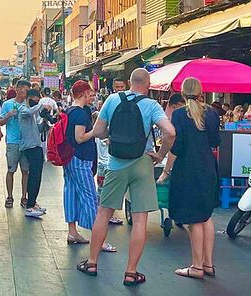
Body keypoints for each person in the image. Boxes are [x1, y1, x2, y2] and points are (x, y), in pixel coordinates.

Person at [76, 68, 175, 287]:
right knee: (140, 219)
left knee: (103, 213)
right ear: (148, 85)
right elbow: (170, 132)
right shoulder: (151, 105)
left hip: (116, 163)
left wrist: (112, 133)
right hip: (142, 162)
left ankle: (92, 262)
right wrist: (159, 155)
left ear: (130, 82)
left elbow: (100, 131)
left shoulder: (112, 100)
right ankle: (131, 272)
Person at [167, 77, 221, 280]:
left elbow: (177, 146)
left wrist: (165, 169)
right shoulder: (212, 113)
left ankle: (197, 266)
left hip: (187, 169)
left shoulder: (179, 115)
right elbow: (216, 141)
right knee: (206, 216)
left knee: (194, 220)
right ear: (201, 92)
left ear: (182, 93)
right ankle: (208, 264)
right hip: (208, 168)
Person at [64, 80, 117, 251]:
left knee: (71, 193)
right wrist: (95, 131)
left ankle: (72, 232)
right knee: (90, 197)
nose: (93, 96)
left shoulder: (70, 110)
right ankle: (99, 239)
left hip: (70, 158)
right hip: (80, 159)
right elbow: (80, 137)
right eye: (91, 93)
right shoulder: (79, 113)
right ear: (83, 94)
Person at [0, 80, 30, 208]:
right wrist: (9, 115)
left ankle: (24, 197)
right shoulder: (7, 104)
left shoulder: (29, 104)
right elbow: (0, 122)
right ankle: (10, 196)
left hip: (26, 141)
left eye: (27, 90)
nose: (25, 92)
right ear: (17, 89)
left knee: (25, 171)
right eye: (23, 89)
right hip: (13, 141)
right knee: (11, 170)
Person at [19, 88, 47, 218]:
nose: (36, 103)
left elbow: (37, 128)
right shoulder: (23, 109)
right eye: (35, 100)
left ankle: (33, 202)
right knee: (34, 176)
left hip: (36, 145)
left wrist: (45, 121)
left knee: (37, 176)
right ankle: (30, 206)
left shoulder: (33, 113)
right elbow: (30, 112)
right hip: (30, 147)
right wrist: (42, 105)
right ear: (29, 99)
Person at [157, 93, 186, 183]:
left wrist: (165, 171)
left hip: (183, 164)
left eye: (173, 107)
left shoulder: (179, 116)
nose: (173, 110)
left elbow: (175, 146)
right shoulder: (207, 113)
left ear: (179, 104)